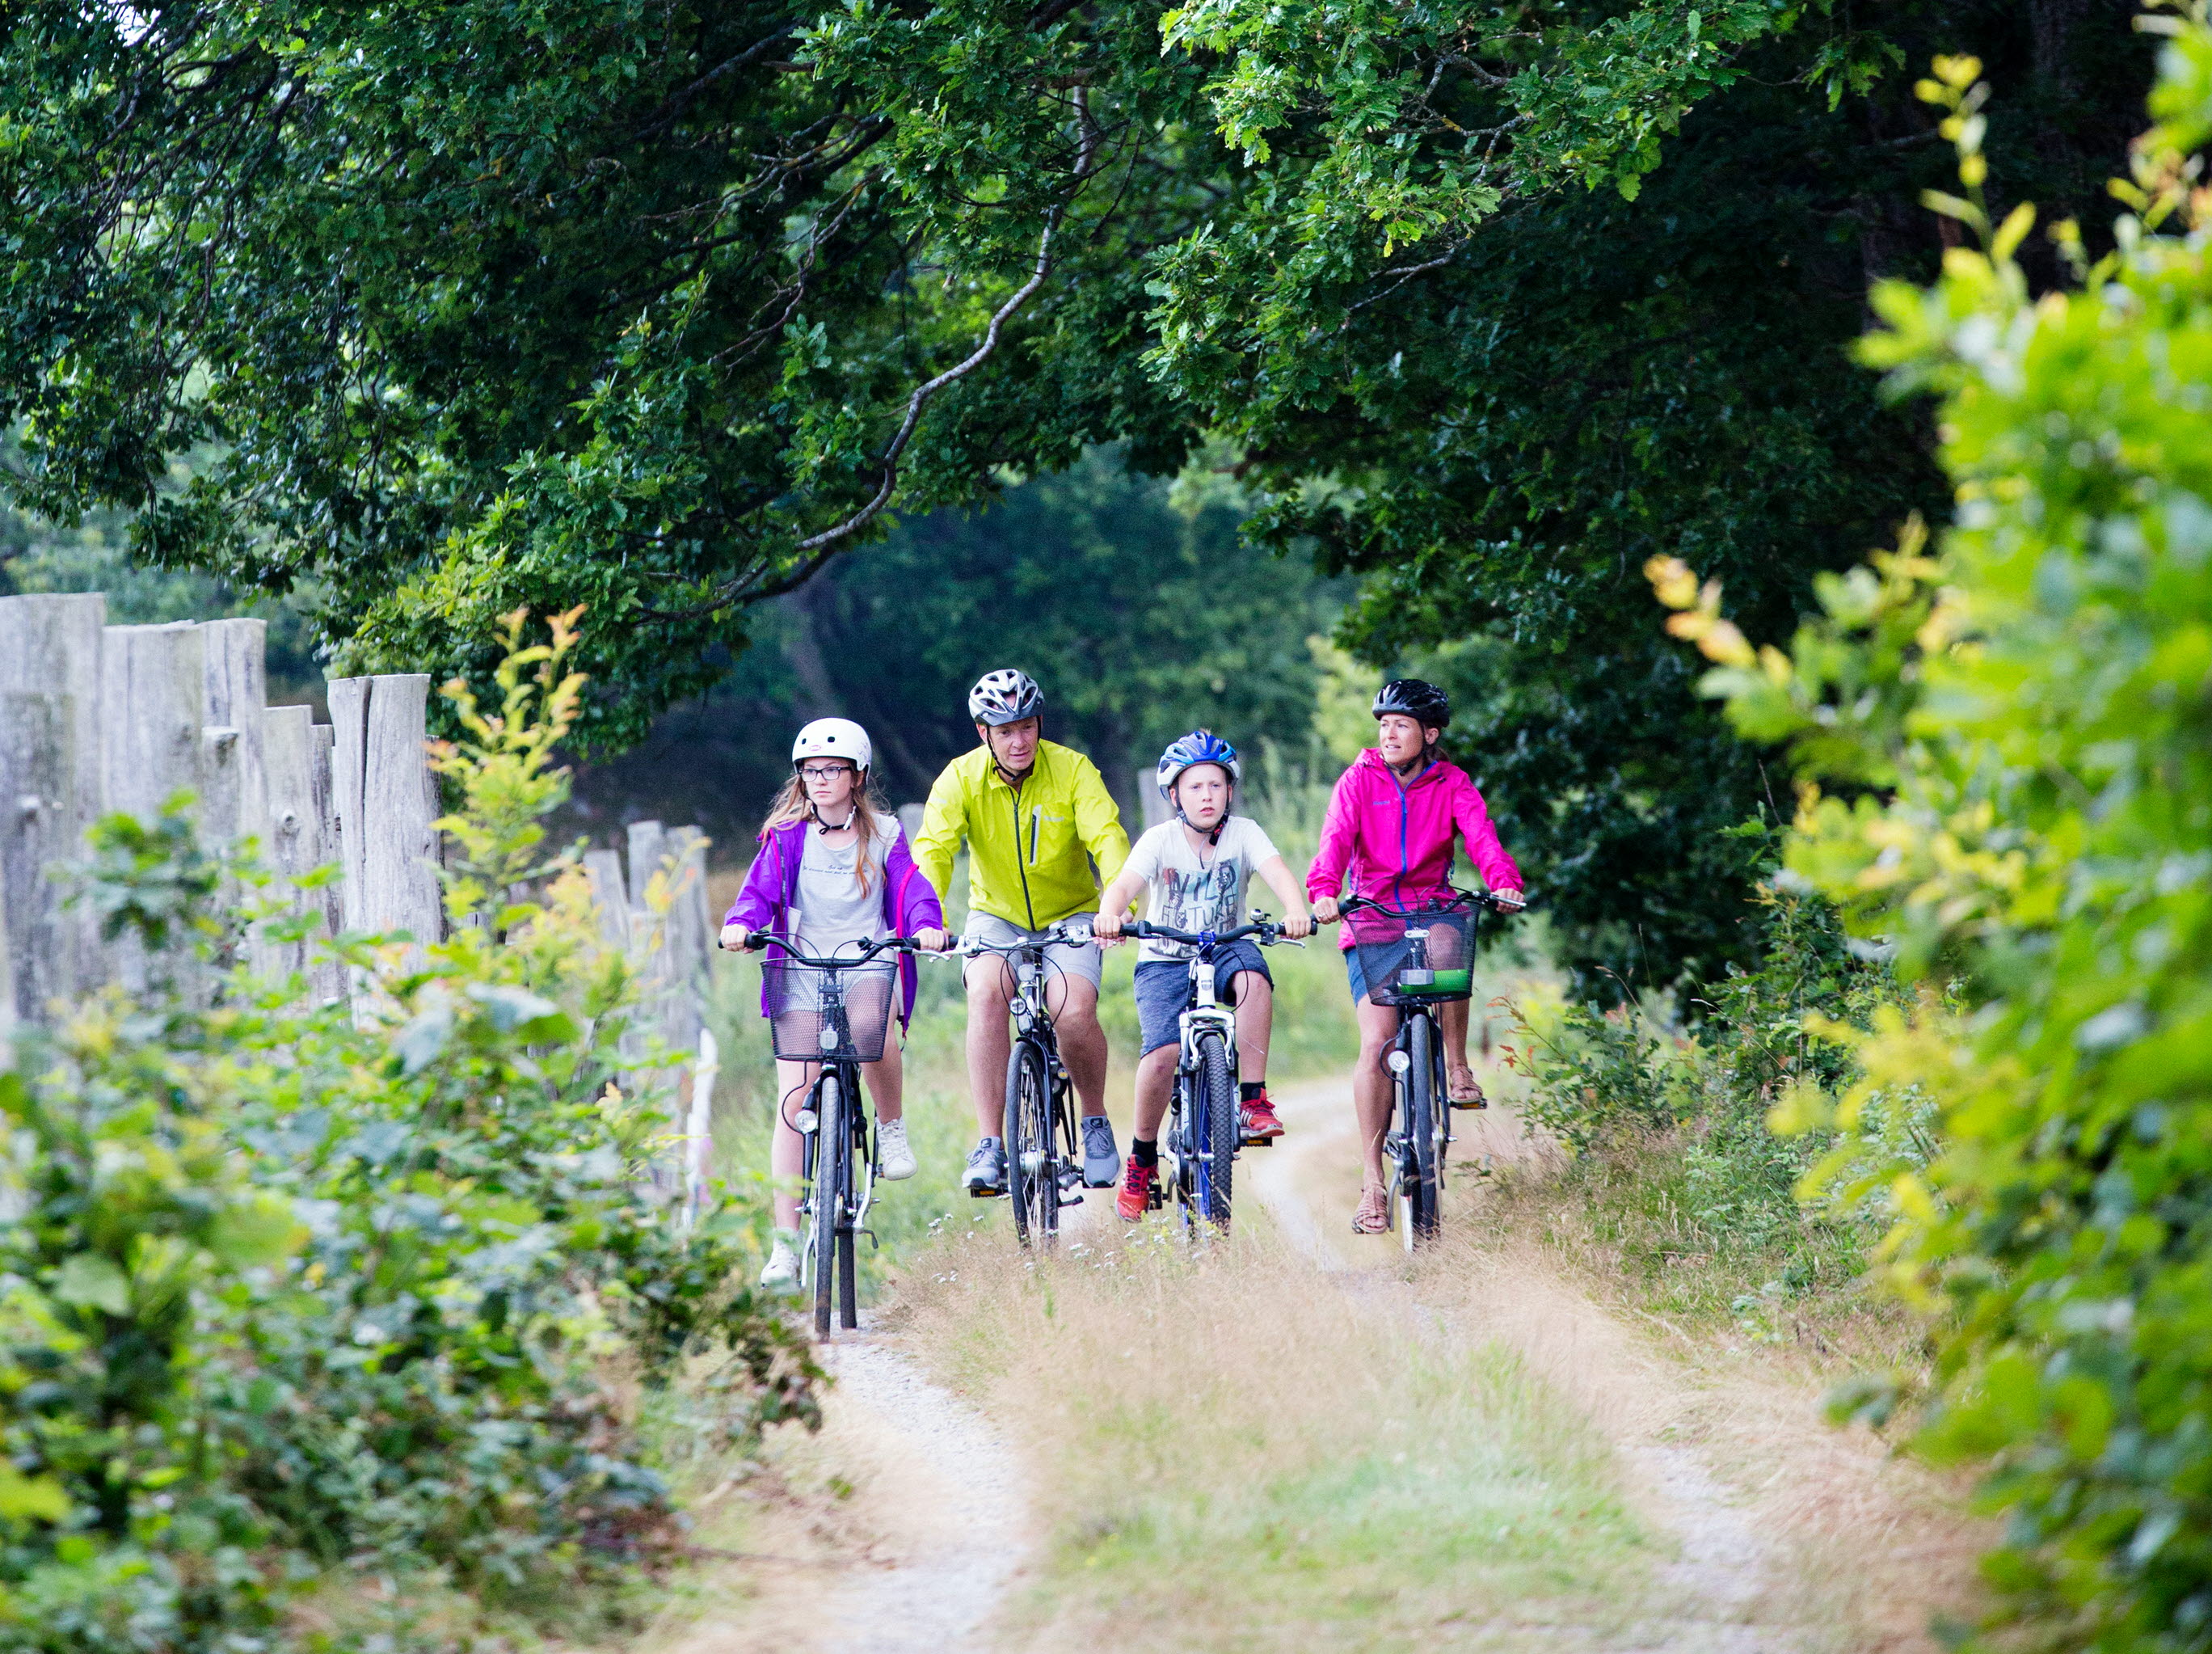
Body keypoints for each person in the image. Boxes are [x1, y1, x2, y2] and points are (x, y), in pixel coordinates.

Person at [719, 718, 948, 1292]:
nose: (819, 780)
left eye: (833, 770)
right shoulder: (786, 839)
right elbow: (756, 895)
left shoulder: (887, 835)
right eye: (810, 771)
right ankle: (785, 1247)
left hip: (867, 962)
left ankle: (890, 1128)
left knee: (872, 1027)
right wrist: (739, 925)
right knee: (793, 1102)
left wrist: (926, 927)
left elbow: (913, 890)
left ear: (858, 776)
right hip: (798, 969)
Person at [1307, 680, 1525, 1235]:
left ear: (1429, 734)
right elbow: (1333, 841)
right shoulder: (1357, 780)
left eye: (1400, 724)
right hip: (1373, 914)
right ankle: (1371, 1183)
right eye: (1382, 724)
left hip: (1431, 905)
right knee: (1378, 1039)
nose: (1387, 733)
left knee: (1452, 937)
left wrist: (1502, 882)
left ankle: (1455, 1067)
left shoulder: (1451, 782)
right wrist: (1324, 892)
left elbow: (1481, 838)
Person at [912, 669, 1131, 1196]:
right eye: (1004, 730)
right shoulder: (959, 778)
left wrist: (1119, 907)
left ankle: (1096, 1122)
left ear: (1039, 725)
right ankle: (990, 1141)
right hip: (996, 916)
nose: (1018, 741)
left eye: (1027, 727)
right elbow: (933, 850)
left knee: (1073, 1010)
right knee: (986, 992)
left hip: (1072, 914)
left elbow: (1108, 839)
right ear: (982, 732)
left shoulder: (1072, 769)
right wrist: (926, 918)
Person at [1093, 732, 1314, 1222]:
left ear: (1230, 791)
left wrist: (1295, 908)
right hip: (1164, 958)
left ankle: (1253, 1099)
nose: (1207, 795)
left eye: (1216, 785)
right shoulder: (1160, 839)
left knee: (1256, 980)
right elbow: (1124, 884)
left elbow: (1276, 871)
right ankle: (1143, 1159)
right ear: (1175, 795)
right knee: (1162, 1055)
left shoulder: (1245, 832)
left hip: (1227, 944)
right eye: (1195, 787)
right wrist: (1110, 915)